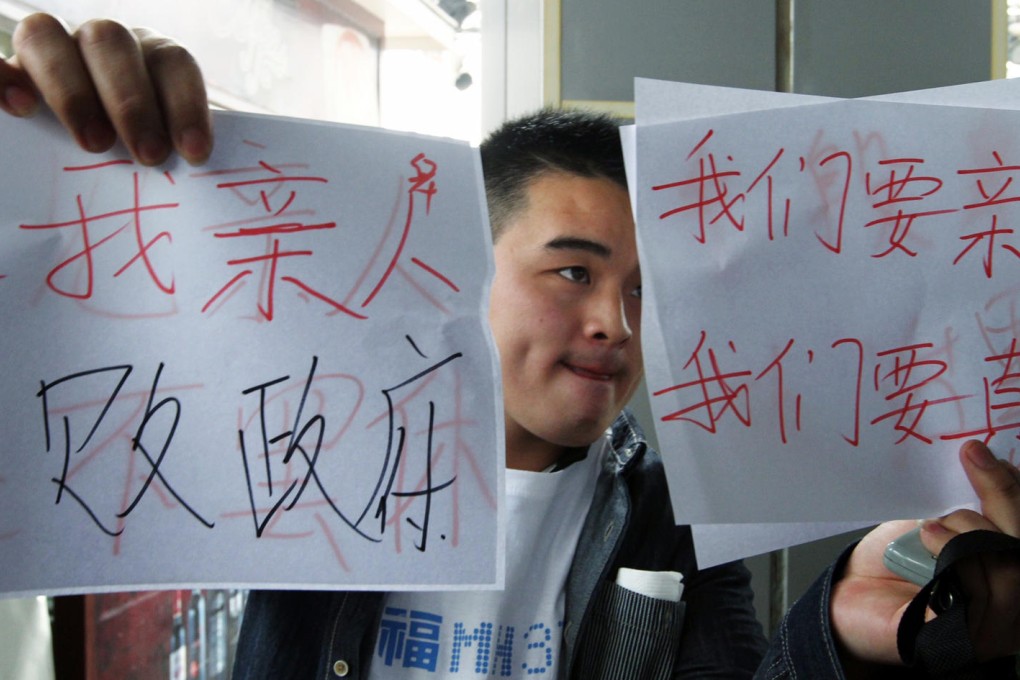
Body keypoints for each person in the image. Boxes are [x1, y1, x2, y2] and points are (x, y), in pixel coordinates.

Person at [3, 13, 1019, 679]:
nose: (614, 326)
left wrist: (841, 629)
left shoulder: (675, 517)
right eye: (571, 272)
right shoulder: (310, 446)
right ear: (459, 267)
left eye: (639, 291)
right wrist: (61, 156)